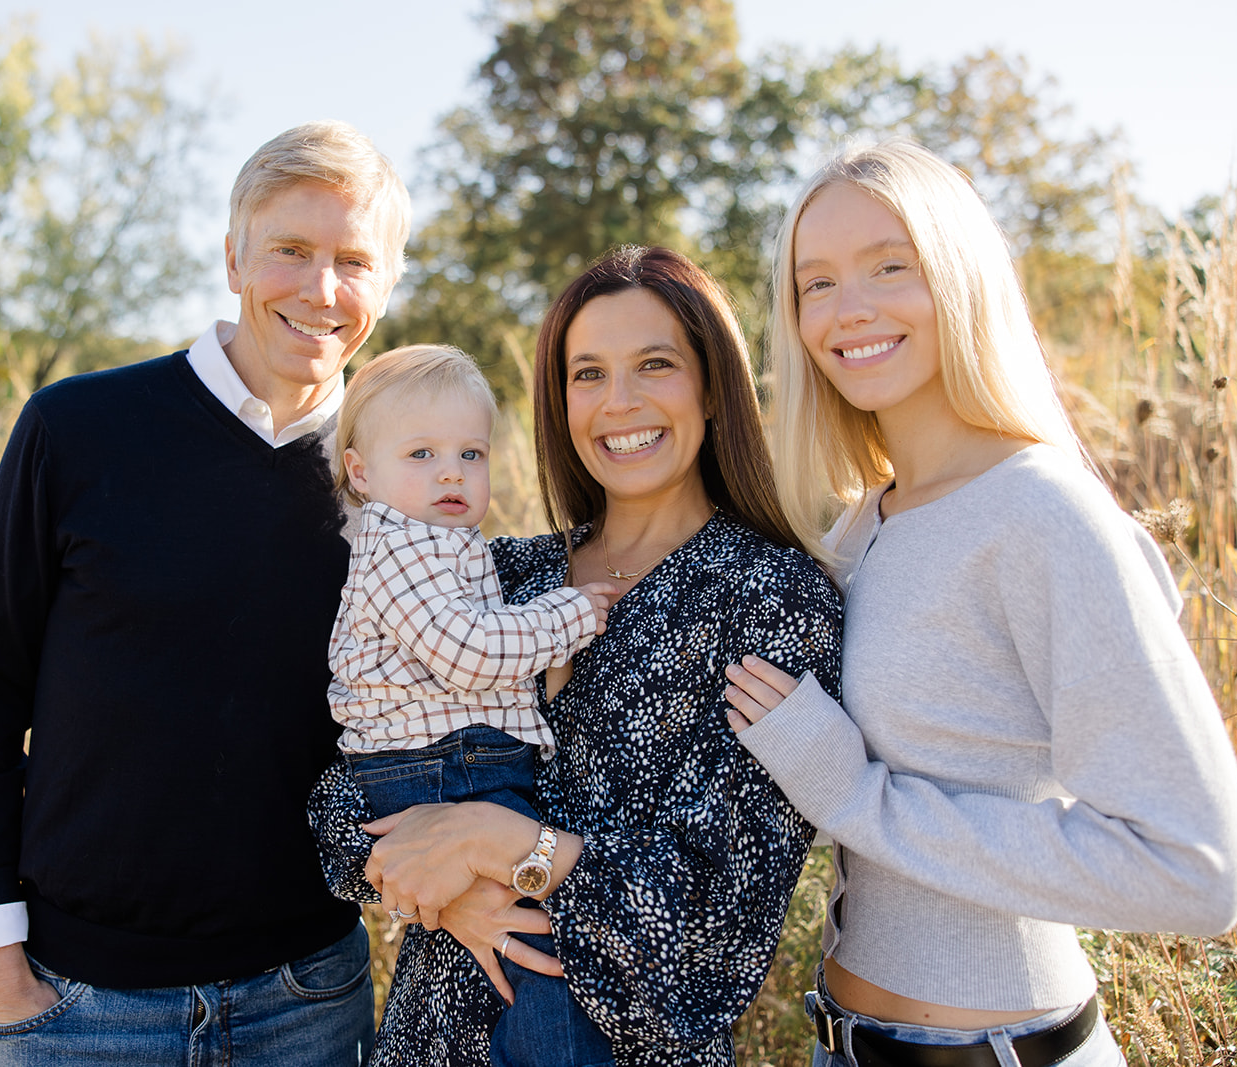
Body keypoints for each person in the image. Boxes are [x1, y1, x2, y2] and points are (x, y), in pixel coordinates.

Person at [722, 140, 1237, 1067]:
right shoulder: (861, 525)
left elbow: (1197, 866)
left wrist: (855, 794)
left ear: (960, 277)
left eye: (892, 267)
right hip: (842, 1043)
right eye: (817, 283)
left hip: (1006, 1049)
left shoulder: (1040, 510)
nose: (850, 309)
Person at [0, 120, 410, 1065]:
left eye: (354, 260)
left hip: (308, 998)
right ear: (233, 254)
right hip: (81, 1008)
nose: (321, 290)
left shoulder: (400, 475)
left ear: (386, 285)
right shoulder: (76, 428)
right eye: (290, 250)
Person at [309, 246, 844, 1066]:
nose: (618, 402)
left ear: (712, 385)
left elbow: (715, 919)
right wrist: (452, 897)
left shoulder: (768, 596)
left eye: (655, 364)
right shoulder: (503, 571)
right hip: (431, 1037)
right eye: (587, 373)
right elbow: (341, 800)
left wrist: (494, 843)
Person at [327, 342, 617, 1064]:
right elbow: (469, 650)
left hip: (451, 763)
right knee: (540, 941)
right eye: (420, 453)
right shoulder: (399, 550)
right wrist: (571, 616)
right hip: (440, 769)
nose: (452, 471)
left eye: (471, 453)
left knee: (521, 936)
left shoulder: (449, 543)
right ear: (361, 472)